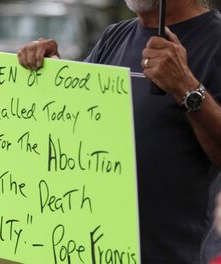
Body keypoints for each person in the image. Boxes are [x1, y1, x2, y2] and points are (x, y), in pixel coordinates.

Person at [17, 0, 221, 262]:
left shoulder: (215, 41)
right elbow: (80, 124)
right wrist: (53, 71)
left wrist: (186, 87)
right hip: (97, 249)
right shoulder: (115, 37)